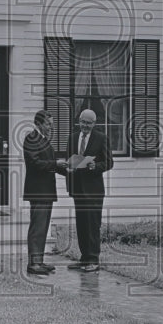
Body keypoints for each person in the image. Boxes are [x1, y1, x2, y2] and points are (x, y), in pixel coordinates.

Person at [66, 109, 113, 272]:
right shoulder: (72, 138)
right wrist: (68, 167)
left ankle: (93, 259)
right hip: (77, 188)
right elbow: (69, 160)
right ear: (79, 121)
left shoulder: (101, 138)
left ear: (94, 124)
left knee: (92, 225)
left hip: (93, 190)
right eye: (83, 122)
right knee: (81, 224)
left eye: (89, 123)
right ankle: (84, 258)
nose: (85, 126)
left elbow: (109, 162)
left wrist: (96, 166)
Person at [22, 110, 67, 276]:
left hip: (46, 189)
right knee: (37, 227)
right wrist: (56, 163)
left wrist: (70, 169)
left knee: (43, 227)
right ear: (38, 123)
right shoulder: (31, 139)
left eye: (52, 124)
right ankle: (33, 263)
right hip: (38, 190)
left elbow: (49, 164)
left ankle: (38, 261)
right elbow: (35, 163)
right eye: (48, 124)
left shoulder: (44, 140)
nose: (51, 127)